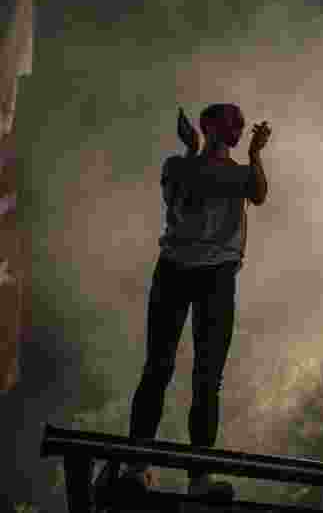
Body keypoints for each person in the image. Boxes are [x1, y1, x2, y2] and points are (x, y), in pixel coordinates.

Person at [95, 104, 271, 503]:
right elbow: (202, 193)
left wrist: (255, 155)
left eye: (241, 123)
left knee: (199, 375)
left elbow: (258, 195)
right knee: (164, 367)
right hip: (182, 270)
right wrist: (233, 155)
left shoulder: (205, 167)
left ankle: (187, 476)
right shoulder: (183, 166)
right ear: (208, 127)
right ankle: (143, 469)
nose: (240, 127)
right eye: (232, 121)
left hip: (208, 274)